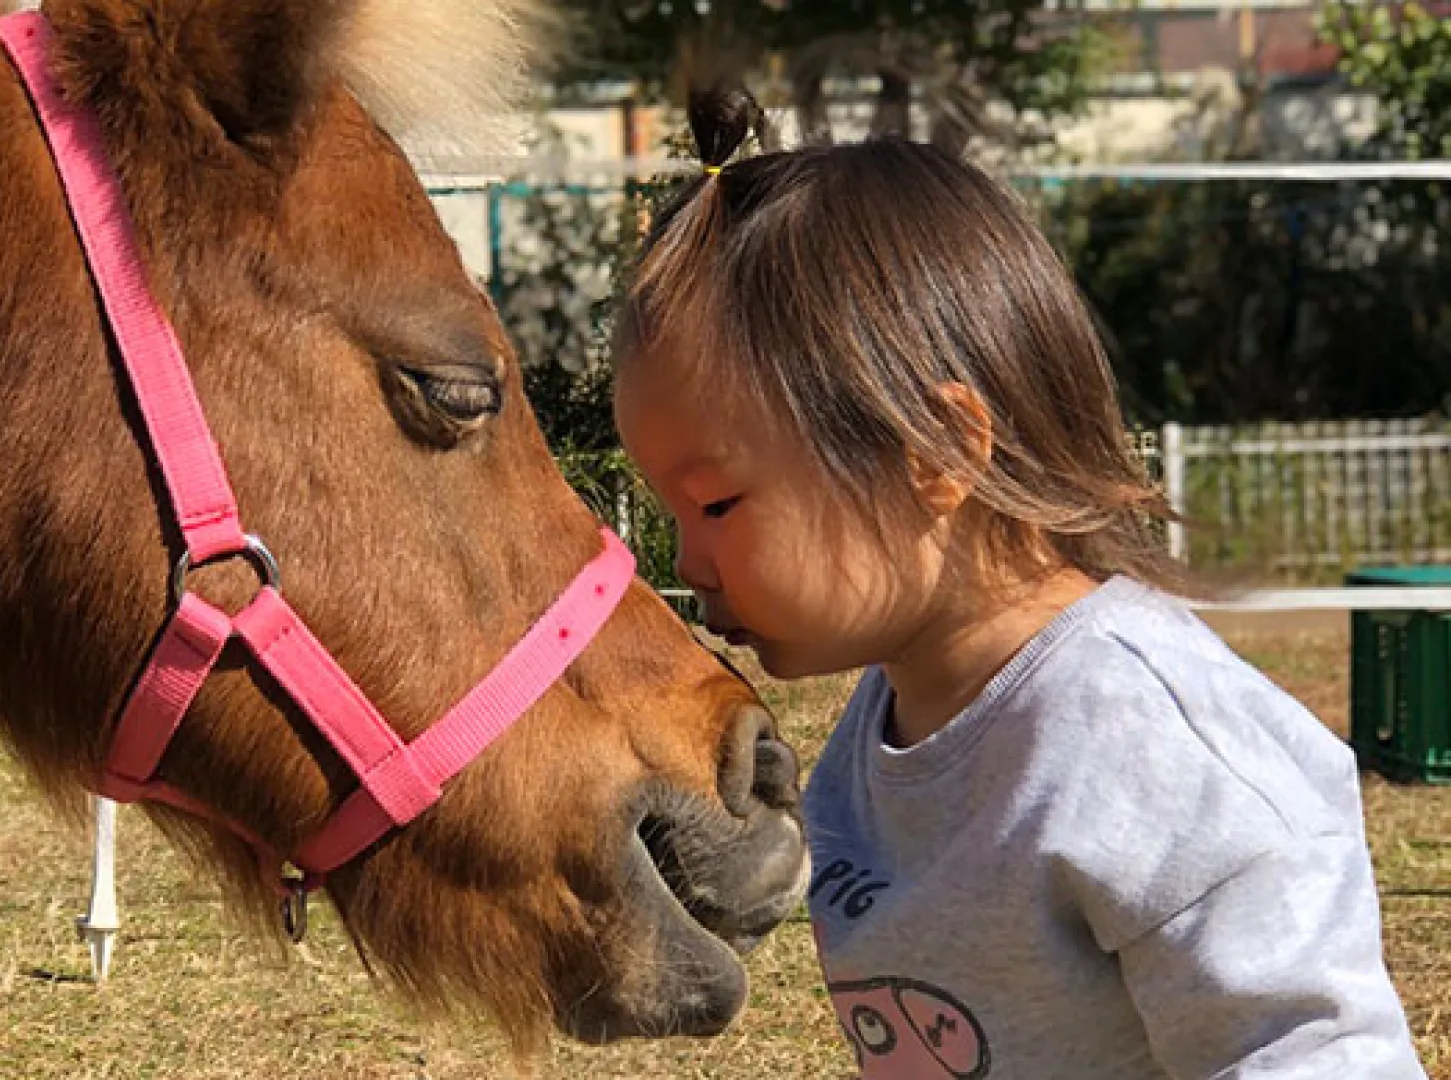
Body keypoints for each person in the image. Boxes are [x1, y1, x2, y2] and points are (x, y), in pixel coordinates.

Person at [611, 88, 1426, 1079]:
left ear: (936, 451)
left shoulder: (1148, 738)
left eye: (718, 505)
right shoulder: (876, 744)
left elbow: (1307, 1047)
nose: (688, 563)